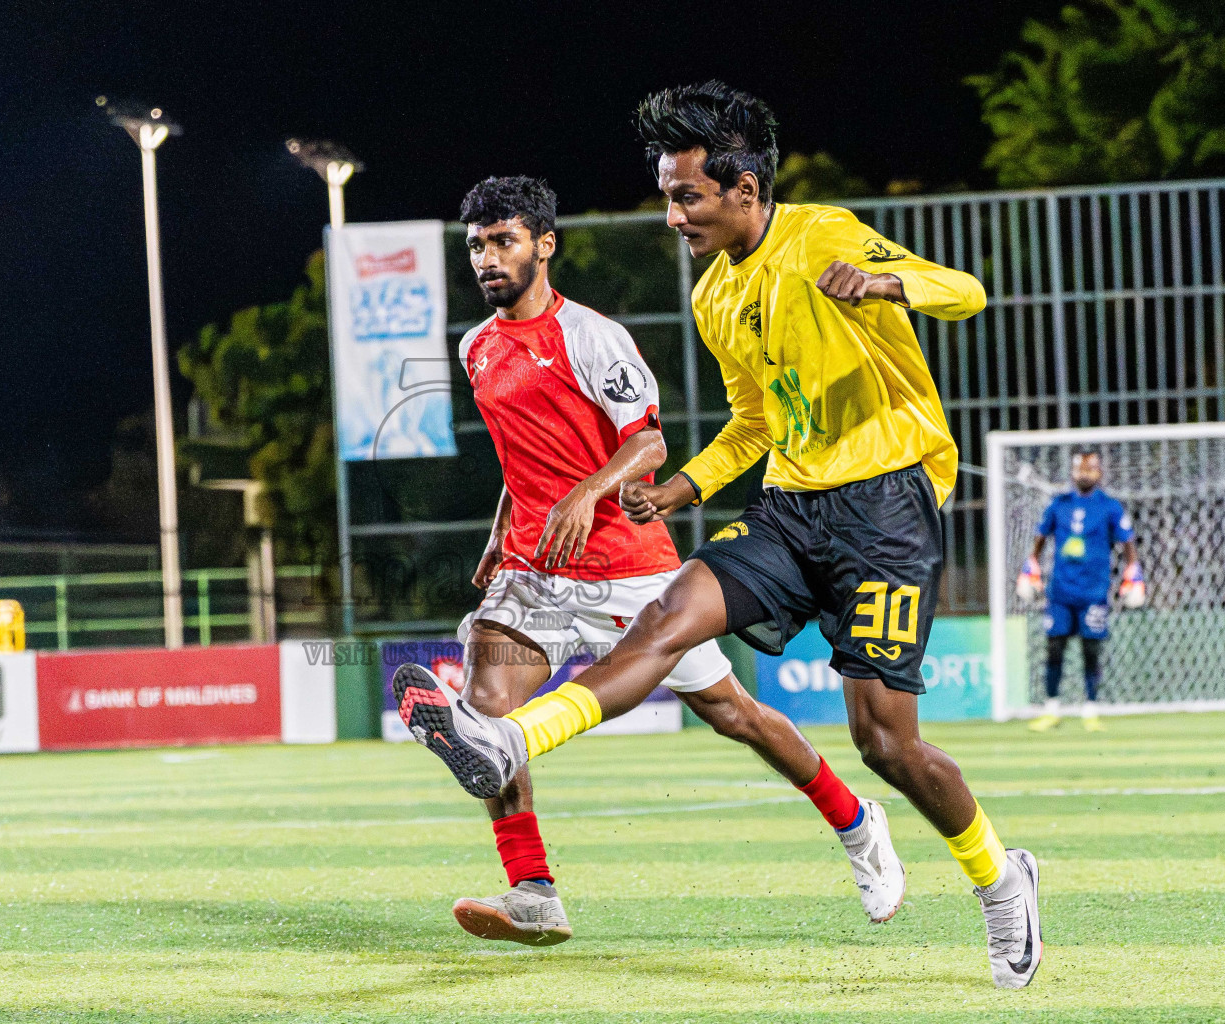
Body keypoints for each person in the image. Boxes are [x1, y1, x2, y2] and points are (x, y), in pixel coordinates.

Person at [395, 82, 1043, 989]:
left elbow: (965, 291)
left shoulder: (821, 234)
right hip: (790, 504)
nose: (672, 216)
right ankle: (508, 749)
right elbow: (754, 422)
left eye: (686, 196)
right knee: (668, 618)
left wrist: (887, 281)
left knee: (886, 744)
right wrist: (682, 489)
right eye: (667, 195)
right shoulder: (714, 295)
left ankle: (998, 876)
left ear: (743, 189)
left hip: (888, 506)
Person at [394, 175, 904, 949]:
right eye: (476, 246)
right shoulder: (476, 347)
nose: (488, 259)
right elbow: (520, 455)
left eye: (504, 241)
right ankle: (533, 890)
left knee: (737, 716)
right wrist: (504, 528)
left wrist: (584, 495)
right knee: (486, 710)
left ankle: (857, 821)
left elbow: (649, 443)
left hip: (627, 567)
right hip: (533, 569)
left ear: (544, 244)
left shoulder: (593, 337)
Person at [1019, 451, 1141, 732]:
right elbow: (1039, 539)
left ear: (1100, 472)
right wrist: (1030, 567)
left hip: (1094, 591)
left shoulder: (1110, 507)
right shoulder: (1058, 504)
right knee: (1054, 648)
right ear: (1072, 472)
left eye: (1091, 468)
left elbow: (1128, 544)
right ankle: (1051, 709)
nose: (1085, 473)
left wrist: (1133, 573)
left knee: (1091, 649)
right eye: (1079, 468)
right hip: (1060, 591)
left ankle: (1091, 709)